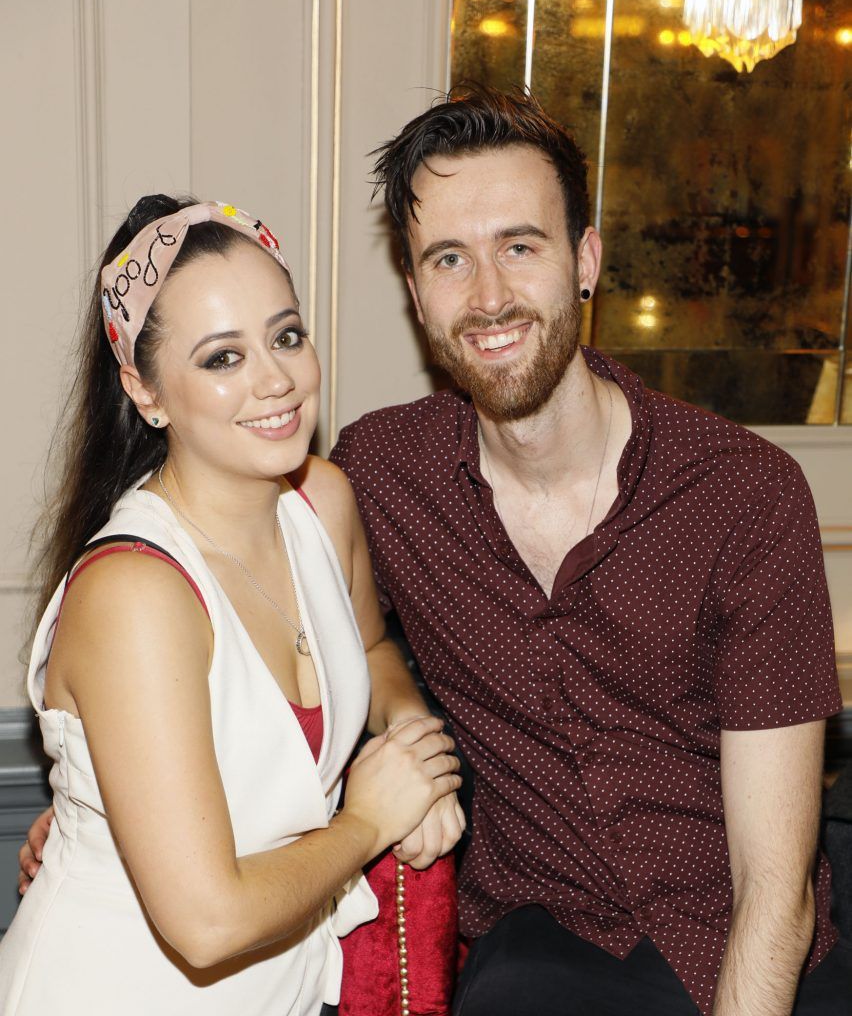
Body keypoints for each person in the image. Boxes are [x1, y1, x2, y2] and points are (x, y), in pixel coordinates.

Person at [328, 88, 849, 1014]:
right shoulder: (380, 473)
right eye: (450, 258)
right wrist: (111, 802)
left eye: (520, 246)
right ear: (414, 292)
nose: (488, 296)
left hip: (744, 948)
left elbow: (775, 889)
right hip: (542, 945)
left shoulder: (745, 497)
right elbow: (233, 605)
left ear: (586, 261)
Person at [2, 195, 463, 1015]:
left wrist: (413, 750)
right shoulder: (136, 593)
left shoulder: (323, 501)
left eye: (286, 335)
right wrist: (369, 823)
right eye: (222, 358)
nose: (276, 378)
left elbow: (373, 649)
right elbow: (207, 922)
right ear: (146, 392)